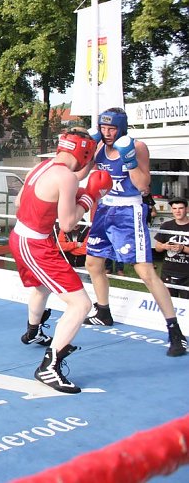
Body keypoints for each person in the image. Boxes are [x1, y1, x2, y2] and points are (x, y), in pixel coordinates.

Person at [10, 129, 109, 393]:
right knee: (81, 304)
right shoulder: (66, 177)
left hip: (19, 235)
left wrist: (84, 176)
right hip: (36, 244)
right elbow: (67, 223)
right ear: (84, 153)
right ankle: (50, 368)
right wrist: (89, 197)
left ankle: (33, 331)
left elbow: (20, 200)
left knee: (41, 287)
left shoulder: (42, 166)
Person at [84, 108, 187, 357]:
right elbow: (83, 172)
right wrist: (88, 149)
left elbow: (142, 185)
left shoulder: (138, 146)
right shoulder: (99, 145)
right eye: (103, 128)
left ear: (122, 128)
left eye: (112, 129)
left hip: (128, 212)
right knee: (93, 264)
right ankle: (103, 312)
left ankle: (175, 332)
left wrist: (128, 158)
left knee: (145, 271)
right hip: (105, 208)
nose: (107, 134)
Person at [153, 197, 189, 299]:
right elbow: (157, 247)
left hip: (187, 274)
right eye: (174, 208)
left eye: (181, 208)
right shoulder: (166, 226)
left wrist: (182, 248)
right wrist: (165, 246)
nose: (177, 211)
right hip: (168, 272)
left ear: (187, 209)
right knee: (168, 303)